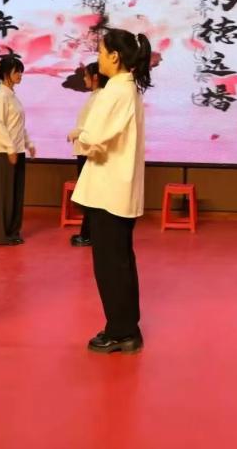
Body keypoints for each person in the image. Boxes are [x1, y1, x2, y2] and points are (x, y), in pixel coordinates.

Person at [71, 28, 153, 354]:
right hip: (116, 190)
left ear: (114, 57)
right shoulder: (127, 89)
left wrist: (81, 137)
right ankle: (125, 326)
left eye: (102, 52)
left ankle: (121, 331)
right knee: (120, 262)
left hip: (108, 191)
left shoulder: (115, 91)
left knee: (110, 265)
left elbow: (93, 137)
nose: (99, 58)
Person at [0, 55, 35, 246]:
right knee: (4, 195)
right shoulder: (0, 96)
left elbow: (19, 126)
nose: (20, 75)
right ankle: (1, 235)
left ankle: (13, 231)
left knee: (16, 193)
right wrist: (9, 148)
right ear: (7, 73)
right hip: (4, 152)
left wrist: (28, 144)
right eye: (17, 72)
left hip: (17, 151)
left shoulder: (13, 97)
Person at [66, 62, 107, 247]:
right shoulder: (96, 96)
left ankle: (88, 234)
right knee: (88, 193)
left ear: (95, 77)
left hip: (89, 151)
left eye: (86, 75)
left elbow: (92, 127)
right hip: (85, 149)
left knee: (89, 194)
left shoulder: (100, 97)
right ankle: (88, 232)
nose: (84, 79)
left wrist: (77, 133)